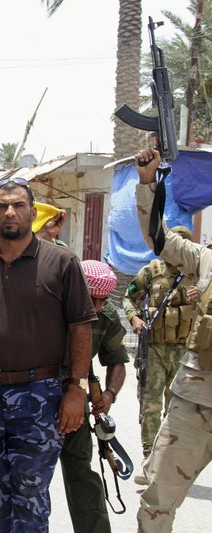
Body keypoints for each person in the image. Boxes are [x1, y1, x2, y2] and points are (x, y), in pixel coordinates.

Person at [0, 177, 96, 532]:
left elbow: (81, 327)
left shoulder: (61, 262)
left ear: (32, 212)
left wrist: (77, 388)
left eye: (18, 205)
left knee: (29, 495)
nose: (10, 212)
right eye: (2, 206)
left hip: (39, 394)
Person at [133, 148, 212, 532]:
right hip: (196, 401)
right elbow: (159, 238)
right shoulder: (206, 259)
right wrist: (149, 183)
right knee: (156, 502)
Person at [121, 228, 198, 484]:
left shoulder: (199, 275)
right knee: (150, 406)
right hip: (153, 349)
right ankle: (149, 460)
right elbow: (128, 298)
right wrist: (133, 319)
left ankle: (170, 463)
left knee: (178, 410)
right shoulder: (152, 271)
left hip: (184, 351)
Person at [60, 260, 128, 533]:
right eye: (92, 299)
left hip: (76, 402)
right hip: (36, 396)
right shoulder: (51, 307)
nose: (97, 307)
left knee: (81, 473)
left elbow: (117, 360)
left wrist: (109, 394)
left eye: (103, 300)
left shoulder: (107, 316)